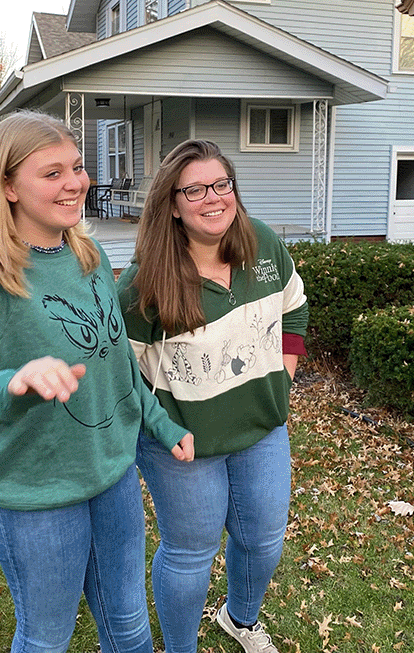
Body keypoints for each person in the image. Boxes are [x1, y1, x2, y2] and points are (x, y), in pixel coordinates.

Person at [0, 111, 194, 653]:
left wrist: (160, 424)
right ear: (8, 187)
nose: (76, 183)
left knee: (130, 623)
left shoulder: (88, 256)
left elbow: (118, 369)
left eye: (79, 167)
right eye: (52, 173)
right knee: (47, 637)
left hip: (111, 478)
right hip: (35, 496)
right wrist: (11, 383)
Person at [116, 140, 308, 653]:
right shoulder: (145, 281)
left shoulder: (262, 245)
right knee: (190, 552)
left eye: (222, 185)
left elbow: (296, 307)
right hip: (183, 441)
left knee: (264, 539)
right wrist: (162, 428)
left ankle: (240, 619)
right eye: (195, 189)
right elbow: (121, 370)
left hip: (261, 428)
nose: (213, 198)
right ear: (172, 204)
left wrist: (283, 374)